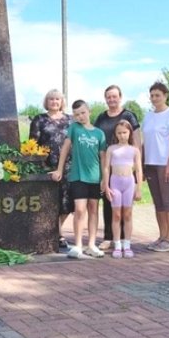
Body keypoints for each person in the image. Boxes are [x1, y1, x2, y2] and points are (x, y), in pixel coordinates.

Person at [50, 100, 106, 260]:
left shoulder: (99, 133)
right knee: (80, 210)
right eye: (76, 114)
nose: (80, 116)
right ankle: (78, 245)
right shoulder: (74, 128)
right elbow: (65, 148)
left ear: (89, 111)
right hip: (78, 176)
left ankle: (92, 245)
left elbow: (103, 158)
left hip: (95, 177)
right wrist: (59, 169)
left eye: (83, 112)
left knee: (93, 210)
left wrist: (104, 179)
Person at [93, 85, 141, 250]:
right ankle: (109, 237)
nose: (111, 99)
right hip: (108, 162)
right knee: (109, 202)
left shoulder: (128, 115)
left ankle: (123, 239)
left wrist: (136, 167)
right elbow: (96, 138)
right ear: (105, 99)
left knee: (125, 208)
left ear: (120, 97)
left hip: (126, 165)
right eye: (108, 97)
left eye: (114, 96)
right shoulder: (101, 118)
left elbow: (136, 140)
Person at [28, 88, 73, 251]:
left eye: (57, 99)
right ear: (46, 102)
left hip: (68, 166)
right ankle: (58, 235)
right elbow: (32, 144)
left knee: (67, 203)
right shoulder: (39, 119)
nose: (54, 102)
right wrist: (38, 166)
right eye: (51, 99)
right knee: (50, 201)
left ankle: (55, 229)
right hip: (47, 166)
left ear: (62, 102)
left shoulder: (70, 120)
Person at [142, 81, 169, 252]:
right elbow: (144, 142)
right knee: (158, 202)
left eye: (157, 95)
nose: (154, 98)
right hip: (150, 163)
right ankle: (162, 236)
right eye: (152, 95)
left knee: (167, 201)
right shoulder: (148, 116)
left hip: (166, 164)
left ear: (165, 96)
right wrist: (142, 164)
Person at [102, 119, 142, 258]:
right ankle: (117, 244)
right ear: (115, 134)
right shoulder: (111, 149)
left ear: (130, 132)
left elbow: (139, 170)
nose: (122, 135)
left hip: (129, 183)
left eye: (125, 132)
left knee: (128, 214)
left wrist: (139, 188)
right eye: (119, 133)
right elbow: (106, 168)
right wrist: (106, 186)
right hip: (115, 183)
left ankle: (127, 245)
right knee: (116, 215)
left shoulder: (134, 150)